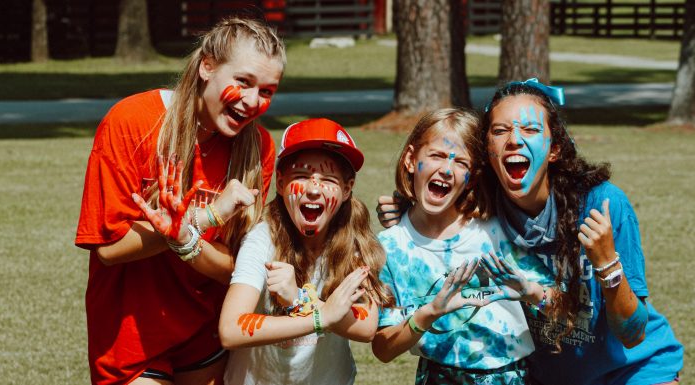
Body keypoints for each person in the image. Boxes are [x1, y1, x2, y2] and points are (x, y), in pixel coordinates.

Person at [378, 80, 684, 385]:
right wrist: (405, 206)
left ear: (555, 148)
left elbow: (633, 334)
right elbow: (441, 198)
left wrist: (607, 265)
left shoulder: (600, 205)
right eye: (500, 131)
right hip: (552, 376)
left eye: (530, 130)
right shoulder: (487, 208)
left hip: (634, 370)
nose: (514, 140)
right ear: (488, 150)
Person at [75, 17, 286, 385]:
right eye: (243, 82)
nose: (253, 101)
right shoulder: (133, 122)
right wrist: (204, 218)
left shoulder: (258, 149)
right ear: (207, 66)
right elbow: (108, 248)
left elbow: (233, 267)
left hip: (206, 334)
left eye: (267, 91)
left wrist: (184, 237)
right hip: (131, 335)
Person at [371, 109, 553, 385]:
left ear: (473, 177)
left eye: (460, 163)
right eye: (437, 155)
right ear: (410, 159)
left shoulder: (496, 230)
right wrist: (429, 313)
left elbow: (562, 305)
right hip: (437, 376)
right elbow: (383, 349)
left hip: (512, 376)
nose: (446, 169)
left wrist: (530, 292)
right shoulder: (390, 247)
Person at [218, 118, 391, 385]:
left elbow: (367, 326)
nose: (313, 189)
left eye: (328, 179)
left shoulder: (353, 242)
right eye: (301, 176)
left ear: (347, 189)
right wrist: (322, 317)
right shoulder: (263, 239)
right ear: (281, 182)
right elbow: (230, 330)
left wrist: (300, 300)